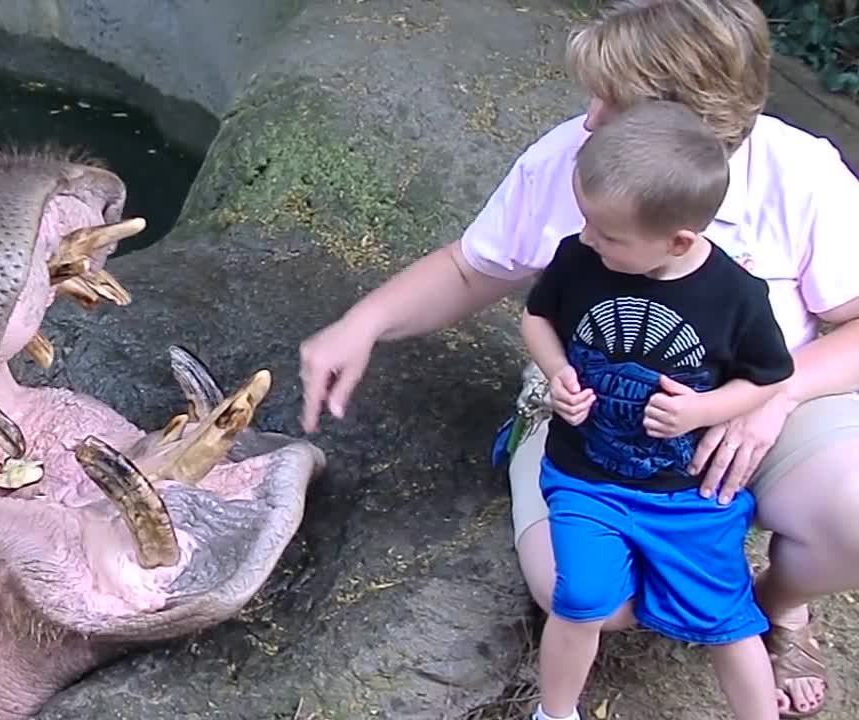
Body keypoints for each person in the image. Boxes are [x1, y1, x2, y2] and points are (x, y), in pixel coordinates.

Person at [296, 1, 859, 716]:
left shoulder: (799, 173)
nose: (590, 119)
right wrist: (364, 322)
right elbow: (475, 270)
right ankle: (696, 592)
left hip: (761, 407)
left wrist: (772, 397)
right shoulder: (570, 158)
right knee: (588, 596)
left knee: (855, 511)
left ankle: (778, 609)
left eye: (614, 102)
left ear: (691, 115)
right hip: (593, 419)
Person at [523, 100, 793, 720]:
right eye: (587, 222)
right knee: (581, 596)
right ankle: (554, 712)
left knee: (725, 616)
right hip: (586, 478)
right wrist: (558, 370)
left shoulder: (736, 297)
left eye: (608, 234)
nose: (588, 239)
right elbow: (536, 318)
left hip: (686, 494)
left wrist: (703, 410)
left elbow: (769, 378)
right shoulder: (580, 258)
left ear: (678, 240)